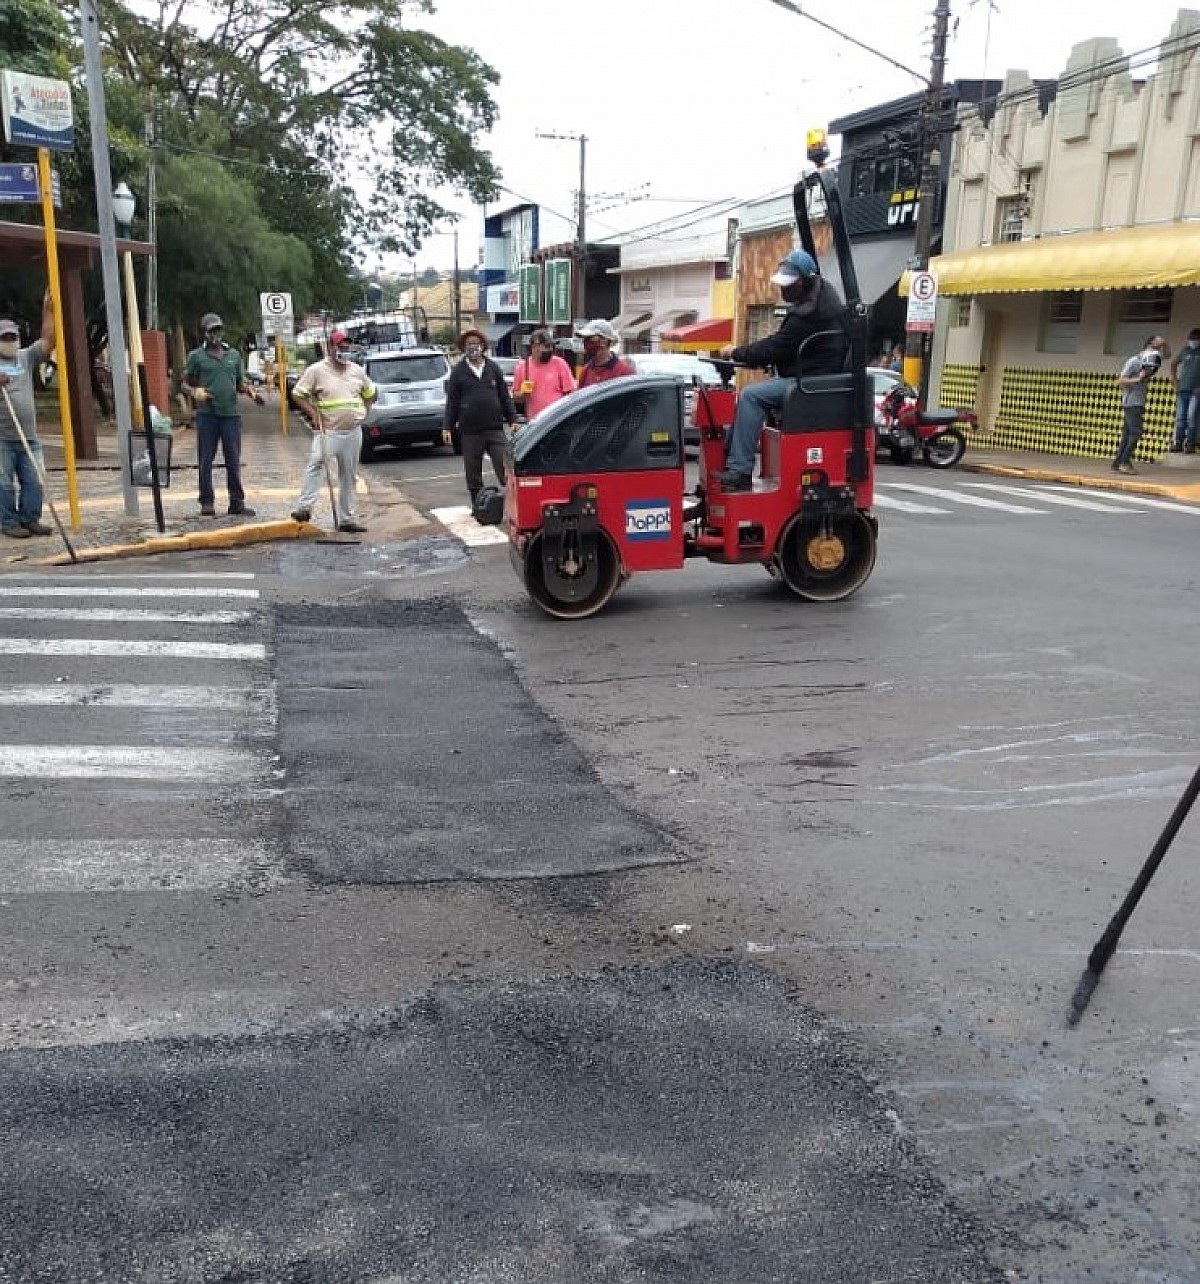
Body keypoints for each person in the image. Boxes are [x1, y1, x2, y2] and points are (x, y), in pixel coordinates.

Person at [714, 249, 849, 491]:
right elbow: (784, 346)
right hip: (813, 376)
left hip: (810, 382)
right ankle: (733, 458)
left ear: (805, 281)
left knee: (750, 396)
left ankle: (739, 470)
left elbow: (775, 346)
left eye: (789, 284)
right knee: (754, 394)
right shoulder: (820, 302)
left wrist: (737, 352)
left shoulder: (808, 315)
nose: (783, 290)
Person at [289, 329, 376, 533]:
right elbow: (298, 394)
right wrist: (313, 414)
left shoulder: (356, 370)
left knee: (349, 475)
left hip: (353, 432)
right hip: (329, 430)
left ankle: (347, 519)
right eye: (340, 347)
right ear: (331, 347)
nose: (344, 351)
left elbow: (371, 392)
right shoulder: (317, 370)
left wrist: (365, 411)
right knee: (317, 463)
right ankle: (304, 507)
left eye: (347, 347)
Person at [181, 312, 263, 517]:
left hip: (230, 416)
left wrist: (251, 393)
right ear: (205, 333)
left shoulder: (234, 355)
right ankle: (206, 502)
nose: (215, 334)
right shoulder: (196, 357)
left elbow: (239, 383)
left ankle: (237, 502)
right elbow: (183, 383)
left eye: (218, 330)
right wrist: (194, 392)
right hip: (207, 415)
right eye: (211, 331)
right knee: (206, 459)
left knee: (233, 460)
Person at [0, 296, 55, 539]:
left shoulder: (25, 357)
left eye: (12, 336)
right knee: (4, 484)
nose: (10, 341)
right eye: (5, 337)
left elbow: (47, 341)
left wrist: (48, 311)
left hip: (28, 437)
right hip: (3, 438)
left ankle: (30, 518)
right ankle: (9, 522)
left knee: (35, 480)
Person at [443, 328, 517, 504]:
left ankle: (513, 504)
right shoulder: (458, 372)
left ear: (483, 346)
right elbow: (452, 401)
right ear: (463, 348)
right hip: (470, 431)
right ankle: (478, 507)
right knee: (473, 472)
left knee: (505, 465)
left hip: (494, 428)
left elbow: (504, 396)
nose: (473, 347)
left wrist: (513, 419)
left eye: (476, 344)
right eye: (469, 344)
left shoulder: (493, 368)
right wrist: (447, 426)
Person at [1112, 335, 1168, 475]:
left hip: (1138, 401)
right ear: (1148, 344)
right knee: (1136, 432)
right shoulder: (1134, 361)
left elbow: (1167, 355)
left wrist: (1165, 344)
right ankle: (1125, 462)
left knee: (1127, 434)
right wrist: (1138, 379)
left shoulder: (1150, 362)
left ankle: (1117, 463)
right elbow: (1120, 381)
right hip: (1131, 402)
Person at [512, 329, 575, 420]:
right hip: (535, 422)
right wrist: (522, 394)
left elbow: (571, 393)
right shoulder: (523, 367)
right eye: (546, 346)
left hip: (557, 419)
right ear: (534, 347)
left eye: (552, 347)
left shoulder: (560, 363)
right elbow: (515, 397)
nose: (550, 350)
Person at [575, 319, 635, 389]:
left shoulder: (624, 372)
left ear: (604, 341)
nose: (585, 342)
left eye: (590, 338)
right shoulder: (586, 371)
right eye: (584, 339)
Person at [1168, 327, 1200, 454]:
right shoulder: (1185, 351)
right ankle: (1178, 443)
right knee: (1180, 417)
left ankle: (1190, 444)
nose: (1193, 341)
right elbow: (1173, 364)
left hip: (1195, 392)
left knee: (1191, 417)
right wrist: (1174, 380)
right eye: (1191, 339)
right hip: (1182, 390)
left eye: (1196, 339)